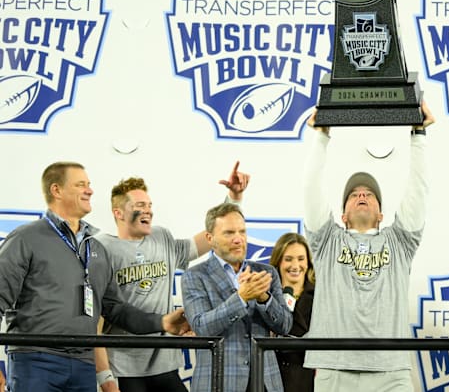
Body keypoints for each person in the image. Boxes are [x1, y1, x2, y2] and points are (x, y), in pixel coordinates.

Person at [0, 161, 190, 392]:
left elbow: (116, 309)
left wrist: (161, 322)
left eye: (89, 185)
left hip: (84, 364)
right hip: (36, 361)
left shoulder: (96, 248)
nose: (89, 190)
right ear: (56, 190)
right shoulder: (25, 238)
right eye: (80, 184)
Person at [302, 102, 435, 392]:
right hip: (334, 366)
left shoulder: (400, 241)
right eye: (353, 195)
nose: (361, 194)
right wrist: (321, 137)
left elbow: (417, 192)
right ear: (343, 215)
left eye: (369, 194)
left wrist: (418, 136)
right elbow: (311, 190)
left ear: (382, 214)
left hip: (391, 368)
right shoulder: (326, 240)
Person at [93, 161, 250, 392]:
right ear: (118, 213)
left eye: (149, 204)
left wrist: (233, 197)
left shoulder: (161, 237)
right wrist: (105, 377)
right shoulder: (102, 248)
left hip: (164, 362)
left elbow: (208, 239)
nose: (148, 210)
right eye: (139, 205)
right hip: (124, 367)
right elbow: (96, 317)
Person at [181, 202, 292, 392]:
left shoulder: (267, 273)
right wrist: (240, 298)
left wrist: (264, 298)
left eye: (242, 232)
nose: (238, 239)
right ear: (210, 238)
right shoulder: (194, 276)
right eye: (229, 233)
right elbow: (202, 327)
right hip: (219, 382)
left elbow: (285, 325)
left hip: (265, 381)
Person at [268, 232, 316, 392]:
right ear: (278, 262)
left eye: (301, 259)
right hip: (270, 378)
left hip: (305, 379)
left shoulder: (321, 296)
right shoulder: (264, 295)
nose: (295, 265)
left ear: (308, 262)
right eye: (288, 259)